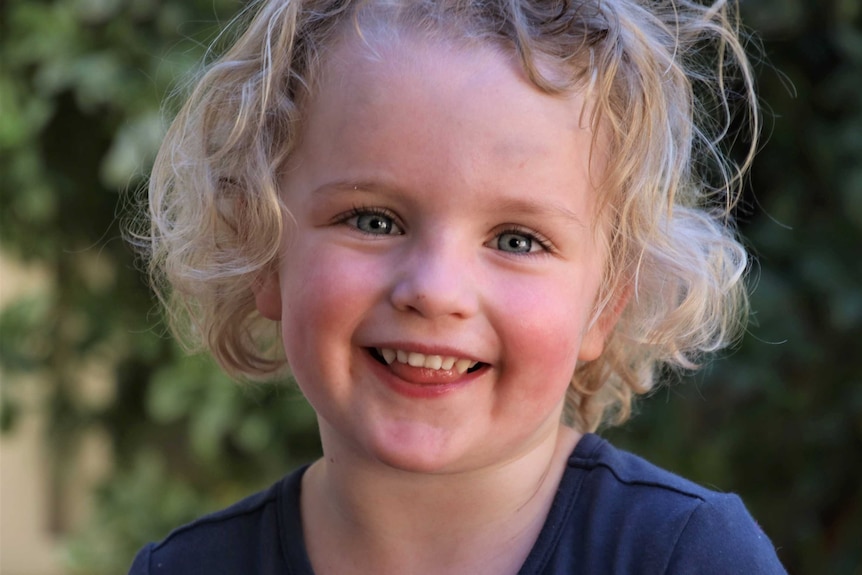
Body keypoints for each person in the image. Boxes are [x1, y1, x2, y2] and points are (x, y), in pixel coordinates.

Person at [129, 0, 787, 573]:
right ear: (265, 252)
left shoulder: (687, 557)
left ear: (606, 300)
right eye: (373, 220)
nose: (436, 289)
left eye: (517, 240)